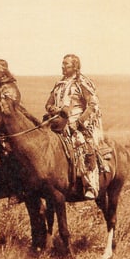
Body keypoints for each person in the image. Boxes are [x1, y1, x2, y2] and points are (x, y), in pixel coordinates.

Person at [45, 53, 104, 199]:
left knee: (81, 144)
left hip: (77, 122)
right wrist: (56, 110)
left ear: (75, 66)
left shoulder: (82, 82)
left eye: (66, 64)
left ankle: (90, 184)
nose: (63, 66)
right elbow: (48, 104)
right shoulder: (60, 84)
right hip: (57, 120)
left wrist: (79, 122)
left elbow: (93, 104)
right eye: (63, 63)